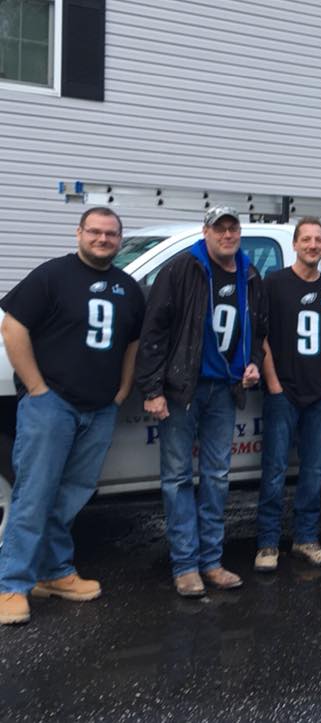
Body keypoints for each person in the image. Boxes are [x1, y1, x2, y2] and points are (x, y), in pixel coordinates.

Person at [0, 208, 144, 625]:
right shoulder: (52, 276)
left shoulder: (128, 288)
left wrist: (122, 389)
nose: (103, 239)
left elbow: (133, 343)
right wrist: (37, 387)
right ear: (79, 233)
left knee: (72, 494)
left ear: (120, 238)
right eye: (95, 232)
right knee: (34, 494)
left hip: (99, 408)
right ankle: (12, 585)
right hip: (53, 405)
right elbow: (13, 326)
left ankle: (55, 572)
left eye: (111, 233)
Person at [135, 206, 267, 596]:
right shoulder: (181, 270)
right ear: (206, 231)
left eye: (233, 228)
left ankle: (211, 561)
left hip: (227, 391)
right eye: (220, 229)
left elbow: (258, 331)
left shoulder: (251, 274)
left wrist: (254, 364)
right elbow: (154, 331)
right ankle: (185, 566)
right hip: (182, 391)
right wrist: (152, 390)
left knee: (217, 478)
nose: (228, 235)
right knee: (177, 479)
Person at [254, 217, 321, 572]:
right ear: (294, 244)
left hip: (320, 394)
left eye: (318, 239)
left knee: (313, 470)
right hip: (283, 391)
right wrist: (273, 383)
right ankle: (266, 543)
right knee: (274, 470)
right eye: (306, 239)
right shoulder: (273, 284)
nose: (312, 245)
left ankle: (306, 538)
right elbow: (261, 336)